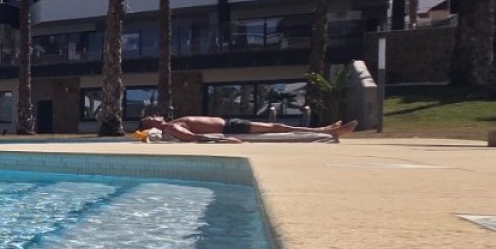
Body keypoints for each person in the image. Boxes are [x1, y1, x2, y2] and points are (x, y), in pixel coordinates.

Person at [138, 114, 357, 143]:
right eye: (151, 117)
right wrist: (222, 140)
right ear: (151, 124)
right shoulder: (171, 126)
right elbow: (194, 137)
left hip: (231, 122)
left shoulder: (172, 122)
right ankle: (327, 131)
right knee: (276, 127)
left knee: (276, 126)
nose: (156, 115)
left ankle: (325, 128)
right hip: (231, 126)